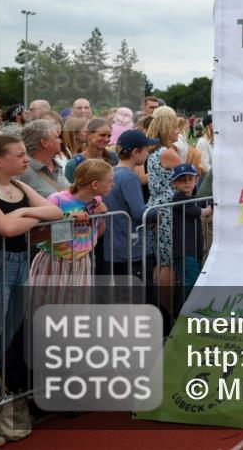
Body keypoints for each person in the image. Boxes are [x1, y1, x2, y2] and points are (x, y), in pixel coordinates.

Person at [0, 134, 64, 374]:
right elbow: (6, 228)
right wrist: (34, 216)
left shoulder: (19, 186)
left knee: (9, 331)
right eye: (20, 155)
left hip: (22, 262)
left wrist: (23, 212)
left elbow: (55, 212)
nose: (26, 159)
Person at [30, 159, 113, 306]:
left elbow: (96, 233)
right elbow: (37, 235)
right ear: (95, 184)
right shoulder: (57, 200)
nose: (113, 185)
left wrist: (101, 217)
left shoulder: (96, 200)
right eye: (110, 181)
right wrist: (67, 219)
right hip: (55, 261)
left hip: (82, 261)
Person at [101, 130, 159, 286]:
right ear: (135, 152)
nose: (148, 153)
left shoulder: (112, 172)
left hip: (115, 247)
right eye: (146, 149)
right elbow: (140, 214)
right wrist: (161, 212)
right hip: (133, 249)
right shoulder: (130, 177)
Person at [146, 106, 183, 313]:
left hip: (160, 207)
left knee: (162, 261)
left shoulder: (155, 152)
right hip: (169, 211)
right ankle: (168, 311)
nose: (178, 131)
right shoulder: (168, 153)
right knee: (167, 262)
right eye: (175, 127)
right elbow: (190, 177)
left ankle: (163, 308)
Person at [168, 163, 211, 299]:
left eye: (190, 179)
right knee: (191, 282)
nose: (186, 183)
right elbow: (198, 211)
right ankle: (185, 312)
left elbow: (204, 203)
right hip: (183, 250)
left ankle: (191, 311)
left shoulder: (194, 198)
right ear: (174, 183)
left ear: (196, 180)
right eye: (181, 180)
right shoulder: (178, 198)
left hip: (195, 249)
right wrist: (208, 210)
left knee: (196, 280)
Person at [17, 119, 67, 198]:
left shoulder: (58, 165)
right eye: (56, 137)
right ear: (44, 143)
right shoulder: (22, 171)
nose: (60, 141)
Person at [64, 117, 118, 183]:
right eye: (102, 135)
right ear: (89, 134)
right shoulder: (74, 163)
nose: (106, 139)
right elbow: (69, 191)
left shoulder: (114, 158)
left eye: (109, 136)